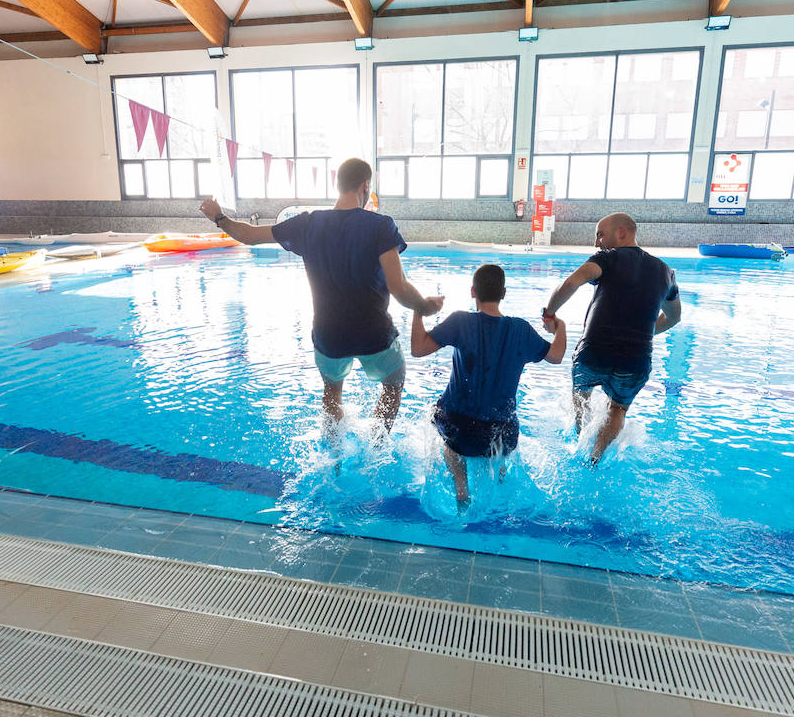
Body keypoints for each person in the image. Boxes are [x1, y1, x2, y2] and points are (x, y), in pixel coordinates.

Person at [200, 158, 443, 432]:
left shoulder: (307, 224)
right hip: (374, 334)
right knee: (392, 385)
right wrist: (423, 306)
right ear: (366, 186)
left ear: (336, 185)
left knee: (331, 394)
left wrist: (219, 217)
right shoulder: (381, 225)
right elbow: (398, 287)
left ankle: (335, 457)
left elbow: (250, 236)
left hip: (329, 336)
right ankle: (377, 446)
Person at [410, 264, 566, 508]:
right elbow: (556, 356)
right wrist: (561, 327)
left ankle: (462, 491)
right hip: (502, 433)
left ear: (473, 291)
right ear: (503, 293)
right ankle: (499, 474)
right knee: (498, 439)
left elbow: (418, 349)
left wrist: (418, 311)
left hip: (459, 431)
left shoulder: (460, 321)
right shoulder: (521, 329)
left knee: (441, 426)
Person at [541, 212, 681, 464]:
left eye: (600, 234)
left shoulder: (607, 258)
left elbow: (572, 282)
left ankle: (577, 436)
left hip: (594, 351)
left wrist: (549, 312)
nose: (597, 242)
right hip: (635, 360)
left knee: (581, 394)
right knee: (618, 409)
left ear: (622, 232)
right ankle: (595, 457)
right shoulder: (666, 273)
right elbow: (673, 318)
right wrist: (643, 332)